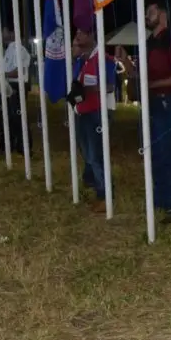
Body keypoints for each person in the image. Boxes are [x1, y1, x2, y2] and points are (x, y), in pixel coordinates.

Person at [117, 2, 171, 221]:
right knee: (153, 153)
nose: (147, 16)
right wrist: (125, 62)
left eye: (151, 12)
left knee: (168, 154)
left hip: (166, 102)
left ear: (163, 15)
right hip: (151, 103)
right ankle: (160, 201)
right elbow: (139, 74)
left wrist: (153, 85)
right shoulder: (148, 43)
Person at [73, 29, 115, 211]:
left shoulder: (104, 59)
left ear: (91, 36)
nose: (77, 37)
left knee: (96, 155)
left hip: (98, 113)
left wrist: (86, 90)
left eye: (81, 34)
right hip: (84, 111)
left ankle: (105, 196)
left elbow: (110, 85)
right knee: (88, 153)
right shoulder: (83, 60)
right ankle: (93, 182)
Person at [0, 26, 33, 155]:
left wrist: (2, 76)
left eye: (3, 31)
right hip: (9, 86)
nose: (1, 34)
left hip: (17, 87)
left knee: (19, 117)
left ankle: (24, 148)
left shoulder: (19, 49)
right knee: (10, 118)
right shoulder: (9, 50)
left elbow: (19, 71)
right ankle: (14, 145)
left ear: (12, 33)